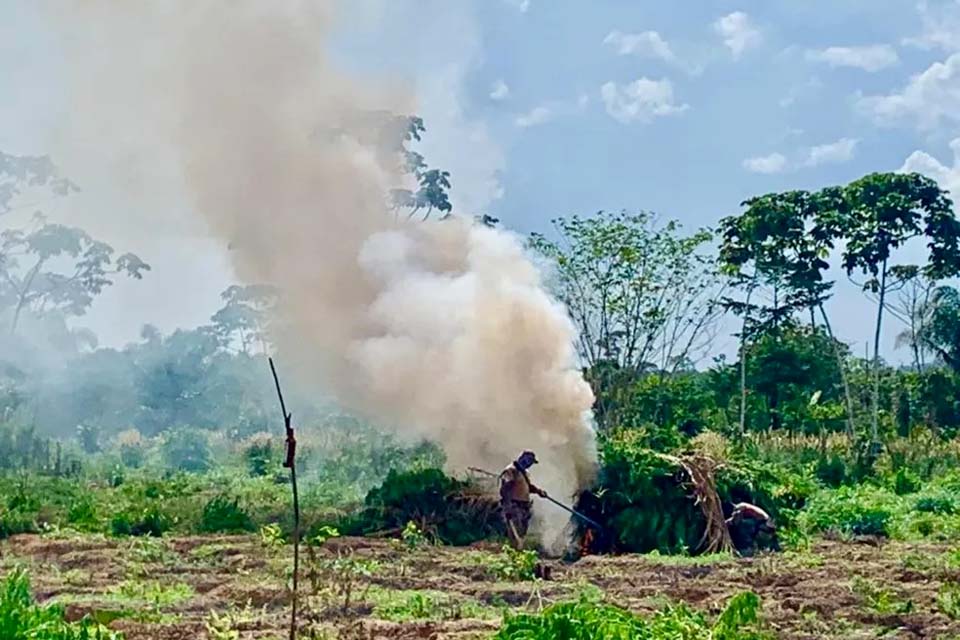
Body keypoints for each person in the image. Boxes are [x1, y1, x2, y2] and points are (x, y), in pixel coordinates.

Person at [499, 450, 547, 550]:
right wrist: (508, 507)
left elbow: (528, 487)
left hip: (524, 506)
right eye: (529, 461)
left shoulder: (525, 472)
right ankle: (514, 554)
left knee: (522, 533)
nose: (530, 464)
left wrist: (539, 491)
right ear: (523, 458)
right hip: (514, 505)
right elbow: (505, 489)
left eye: (531, 462)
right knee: (514, 532)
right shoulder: (511, 470)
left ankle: (518, 552)